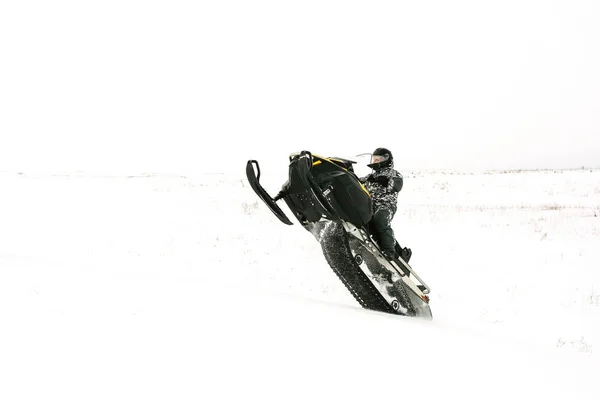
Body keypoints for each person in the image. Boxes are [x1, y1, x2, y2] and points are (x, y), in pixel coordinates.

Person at [360, 147, 412, 263]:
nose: (376, 162)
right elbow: (357, 183)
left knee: (380, 219)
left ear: (387, 160)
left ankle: (389, 252)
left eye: (379, 159)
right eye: (374, 159)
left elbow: (397, 186)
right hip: (369, 206)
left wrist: (386, 181)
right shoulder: (370, 176)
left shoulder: (393, 174)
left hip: (386, 205)